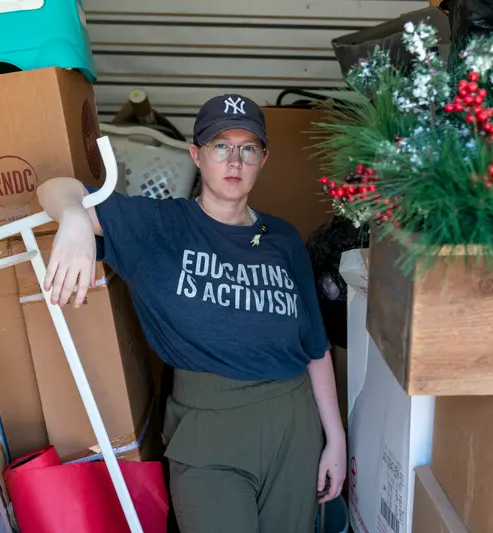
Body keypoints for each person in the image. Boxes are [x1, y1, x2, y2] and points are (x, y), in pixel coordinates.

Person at [36, 94, 346, 533]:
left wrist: (334, 438)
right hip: (207, 430)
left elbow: (315, 346)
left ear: (263, 159)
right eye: (221, 145)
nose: (234, 160)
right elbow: (54, 187)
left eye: (248, 148)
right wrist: (73, 221)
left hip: (292, 425)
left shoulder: (282, 238)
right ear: (196, 155)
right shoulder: (159, 227)